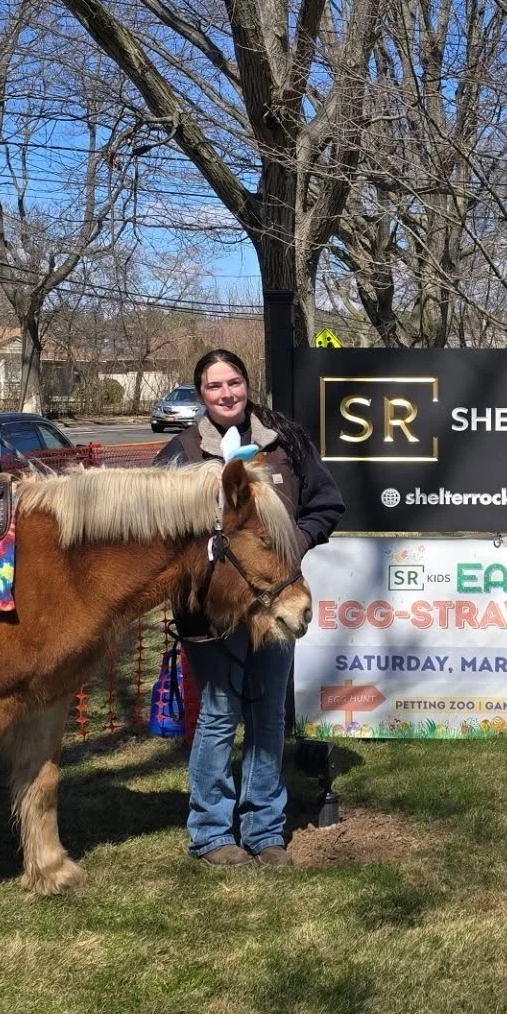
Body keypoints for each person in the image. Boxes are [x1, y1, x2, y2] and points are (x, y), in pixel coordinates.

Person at [155, 349, 344, 867]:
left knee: (266, 716)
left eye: (234, 382)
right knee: (218, 715)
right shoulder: (182, 452)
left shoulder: (284, 442)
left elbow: (327, 504)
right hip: (209, 614)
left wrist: (293, 543)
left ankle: (265, 828)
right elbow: (156, 536)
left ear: (246, 384)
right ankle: (212, 832)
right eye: (214, 387)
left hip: (272, 602)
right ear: (201, 394)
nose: (226, 394)